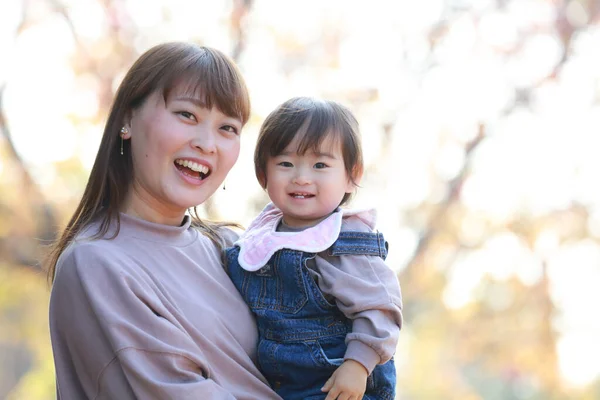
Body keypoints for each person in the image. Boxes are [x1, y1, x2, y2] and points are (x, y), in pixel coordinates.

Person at [47, 42, 281, 399]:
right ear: (127, 119)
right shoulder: (96, 264)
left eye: (228, 128)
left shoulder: (233, 250)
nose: (207, 144)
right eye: (187, 115)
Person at [226, 97, 403, 400]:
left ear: (352, 176)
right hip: (279, 386)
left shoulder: (345, 242)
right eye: (285, 163)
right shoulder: (257, 239)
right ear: (262, 174)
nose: (301, 177)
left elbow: (380, 308)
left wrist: (358, 364)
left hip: (339, 384)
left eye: (320, 164)